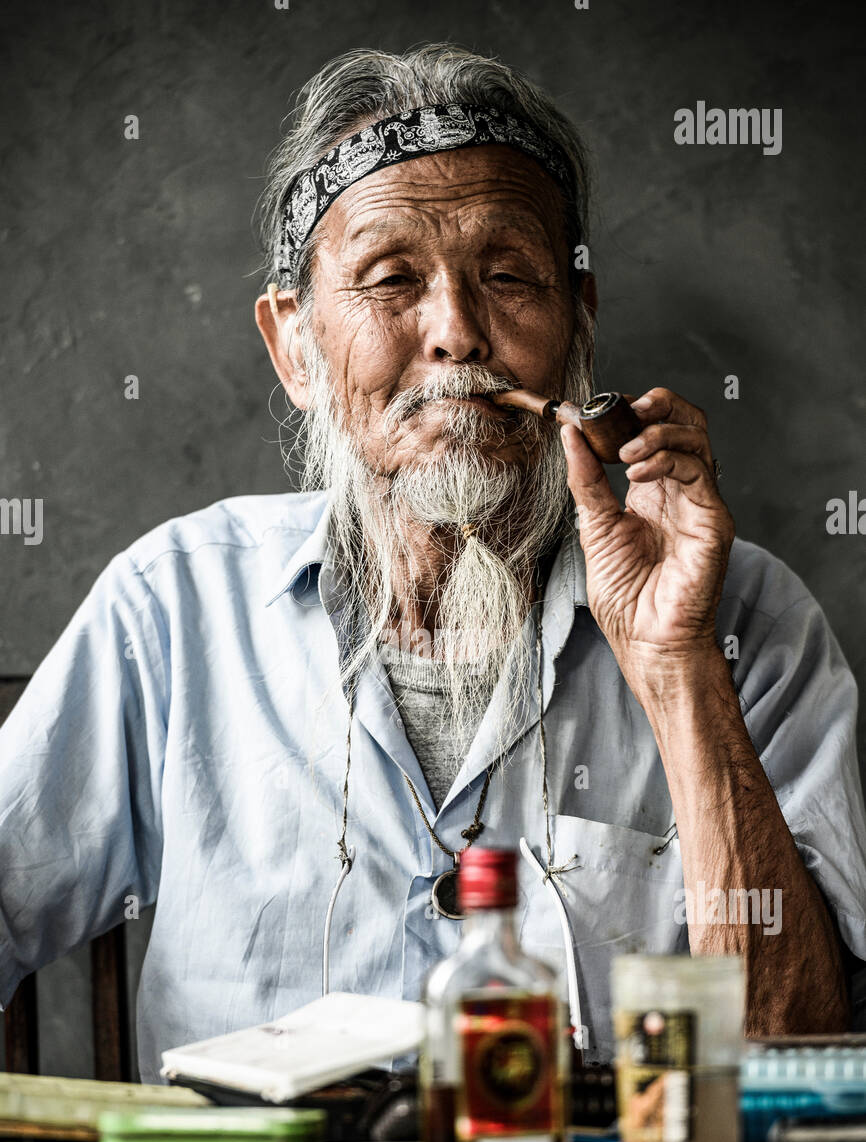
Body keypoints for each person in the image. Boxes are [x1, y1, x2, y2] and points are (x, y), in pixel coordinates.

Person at [2, 45, 864, 1083]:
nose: (456, 332)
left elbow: (801, 1053)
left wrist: (676, 664)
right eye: (388, 281)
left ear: (577, 322)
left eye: (507, 277)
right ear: (295, 348)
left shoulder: (744, 618)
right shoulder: (173, 608)